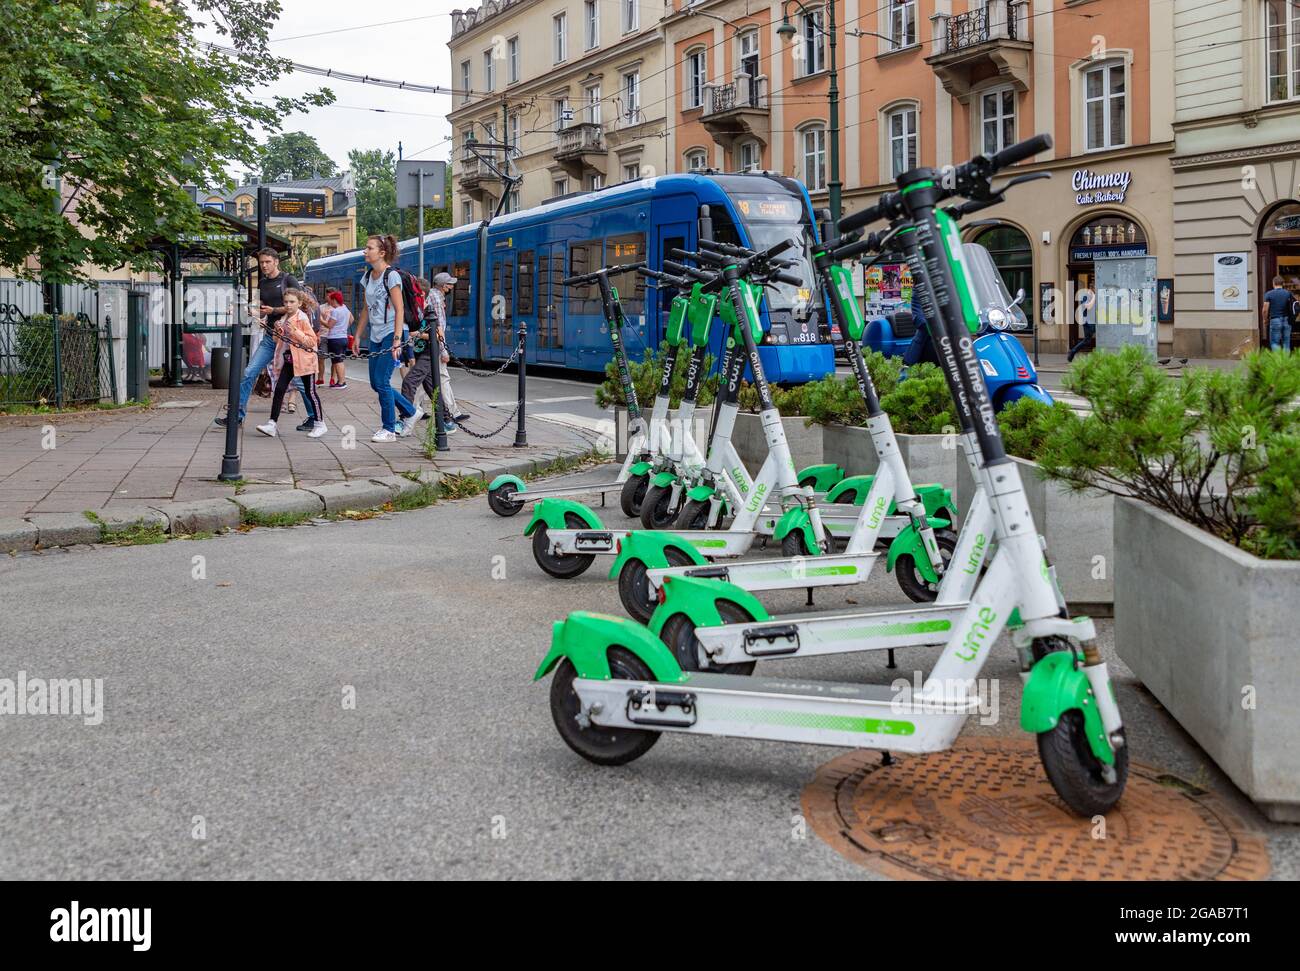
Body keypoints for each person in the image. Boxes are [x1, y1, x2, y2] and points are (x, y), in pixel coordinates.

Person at [215, 248, 316, 428]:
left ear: (276, 262)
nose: (264, 265)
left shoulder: (288, 279)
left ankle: (313, 418)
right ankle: (236, 416)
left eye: (267, 262)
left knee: (300, 380)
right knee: (248, 373)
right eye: (261, 262)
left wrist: (274, 311)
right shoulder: (262, 283)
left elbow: (299, 306)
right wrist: (244, 310)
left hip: (290, 339)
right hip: (271, 337)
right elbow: (259, 307)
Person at [354, 234, 422, 442]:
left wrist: (396, 340)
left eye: (369, 248)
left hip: (392, 333)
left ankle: (389, 429)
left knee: (382, 382)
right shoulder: (367, 277)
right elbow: (366, 309)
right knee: (375, 383)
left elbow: (400, 309)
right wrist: (357, 335)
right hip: (375, 334)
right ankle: (411, 411)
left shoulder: (391, 276)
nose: (365, 251)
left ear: (381, 253)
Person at [256, 289, 327, 439]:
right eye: (286, 302)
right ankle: (272, 424)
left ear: (299, 303)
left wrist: (295, 332)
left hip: (305, 361)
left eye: (292, 302)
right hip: (289, 360)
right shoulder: (284, 317)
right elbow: (278, 342)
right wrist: (278, 331)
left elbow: (311, 341)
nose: (288, 305)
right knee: (280, 389)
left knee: (310, 392)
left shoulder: (302, 319)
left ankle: (320, 424)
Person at [402, 272, 465, 435]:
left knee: (409, 382)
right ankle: (447, 421)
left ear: (420, 294)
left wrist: (416, 334)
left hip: (429, 353)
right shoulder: (417, 310)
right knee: (431, 387)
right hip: (420, 352)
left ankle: (405, 418)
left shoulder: (428, 311)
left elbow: (438, 334)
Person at [324, 291, 352, 388]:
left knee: (337, 360)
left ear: (334, 300)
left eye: (330, 300)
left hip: (335, 338)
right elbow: (351, 319)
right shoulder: (345, 308)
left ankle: (341, 382)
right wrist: (344, 328)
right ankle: (341, 381)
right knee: (339, 360)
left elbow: (329, 325)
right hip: (343, 337)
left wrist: (320, 319)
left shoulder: (336, 311)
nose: (330, 302)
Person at [1263, 275, 1294, 352]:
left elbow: (1265, 310)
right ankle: (1286, 362)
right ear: (1282, 283)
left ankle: (1277, 361)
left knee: (1275, 342)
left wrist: (1265, 319)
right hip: (1287, 320)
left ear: (1273, 283)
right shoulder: (1288, 293)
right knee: (1286, 342)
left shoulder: (1269, 294)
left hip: (1275, 320)